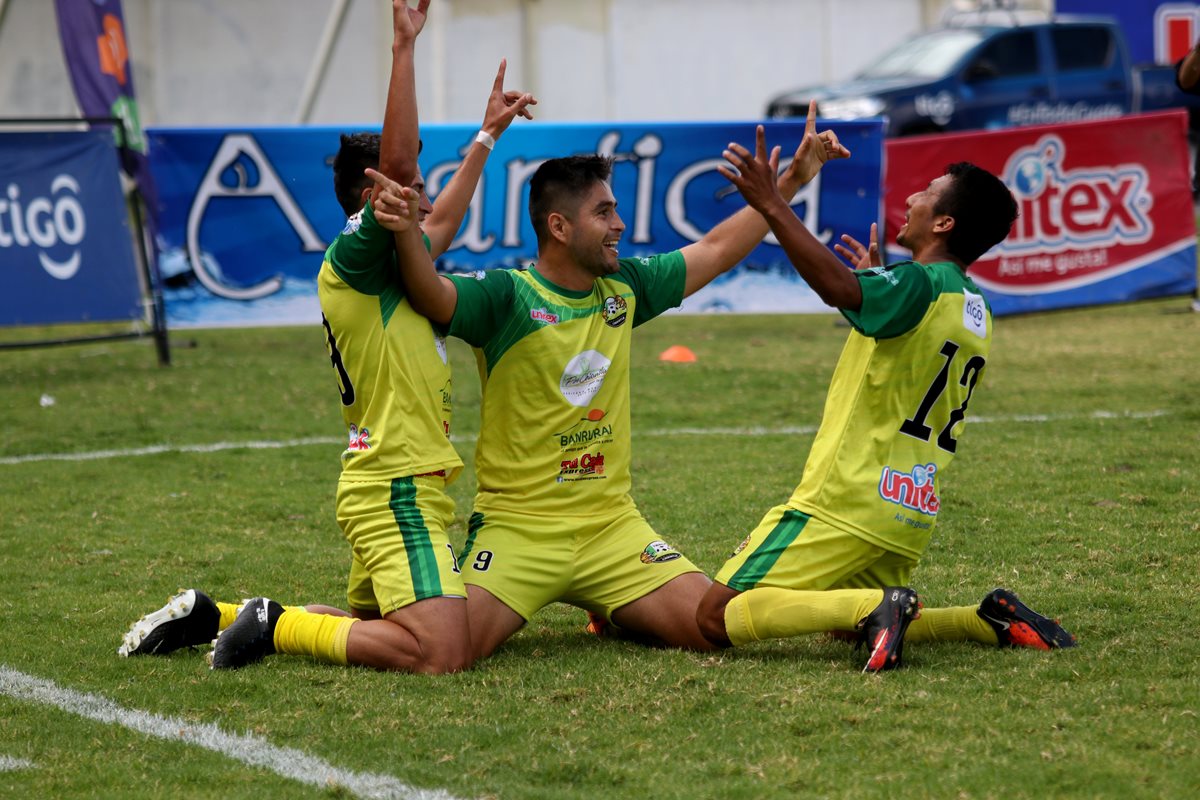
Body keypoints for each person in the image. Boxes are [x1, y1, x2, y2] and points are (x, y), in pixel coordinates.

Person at [118, 0, 536, 673]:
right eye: (410, 190)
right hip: (393, 484)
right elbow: (403, 174)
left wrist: (487, 136)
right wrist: (404, 49)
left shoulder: (399, 260)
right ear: (374, 198)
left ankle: (213, 615)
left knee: (375, 628)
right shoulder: (354, 258)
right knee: (442, 652)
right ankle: (276, 625)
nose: (424, 201)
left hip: (398, 478)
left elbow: (443, 217)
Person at [372, 102, 850, 660]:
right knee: (443, 649)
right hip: (519, 532)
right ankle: (285, 624)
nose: (619, 224)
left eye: (616, 210)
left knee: (708, 630)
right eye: (604, 212)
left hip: (612, 530)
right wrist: (407, 233)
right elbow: (430, 294)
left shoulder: (624, 287)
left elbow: (716, 251)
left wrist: (791, 180)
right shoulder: (506, 295)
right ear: (559, 226)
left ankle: (614, 604)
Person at [693, 125, 1075, 672]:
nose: (914, 198)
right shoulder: (976, 307)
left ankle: (880, 606)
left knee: (714, 617)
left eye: (928, 193)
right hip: (908, 511)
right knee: (836, 624)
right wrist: (880, 282)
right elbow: (899, 340)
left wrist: (774, 204)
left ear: (944, 223)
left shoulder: (920, 284)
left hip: (845, 501)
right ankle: (982, 617)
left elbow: (840, 290)